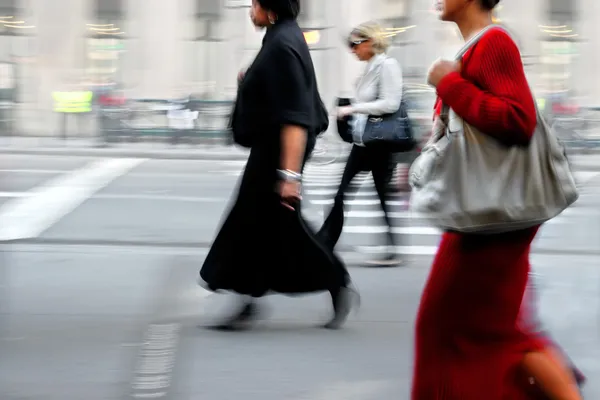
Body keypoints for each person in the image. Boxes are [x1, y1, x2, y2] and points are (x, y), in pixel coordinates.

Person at [411, 0, 582, 398]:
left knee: (454, 329)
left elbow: (517, 120)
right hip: (481, 213)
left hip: (493, 219)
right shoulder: (470, 48)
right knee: (484, 331)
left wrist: (449, 84)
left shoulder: (494, 43)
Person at [198, 0, 358, 331]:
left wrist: (289, 175)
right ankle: (254, 296)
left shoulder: (282, 44)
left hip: (278, 154)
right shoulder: (279, 37)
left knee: (263, 224)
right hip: (273, 151)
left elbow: (295, 119)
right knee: (266, 226)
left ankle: (331, 281)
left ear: (269, 7)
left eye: (255, 3)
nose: (250, 9)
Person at [317, 22, 404, 267]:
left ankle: (326, 243)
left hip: (380, 144)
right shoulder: (370, 68)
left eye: (355, 44)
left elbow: (391, 104)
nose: (352, 50)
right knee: (343, 193)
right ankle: (325, 243)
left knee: (378, 195)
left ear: (370, 42)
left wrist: (353, 107)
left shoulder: (387, 66)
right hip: (364, 143)